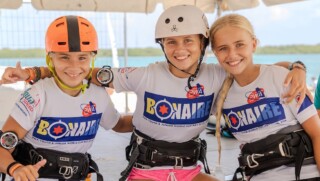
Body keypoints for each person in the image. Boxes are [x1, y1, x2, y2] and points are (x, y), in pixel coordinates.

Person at [0, 5, 308, 181]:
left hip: (190, 169)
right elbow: (85, 71)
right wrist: (33, 74)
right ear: (162, 46)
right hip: (145, 169)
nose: (181, 49)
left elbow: (256, 69)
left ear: (203, 45)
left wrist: (297, 66)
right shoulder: (143, 74)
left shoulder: (216, 74)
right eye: (172, 42)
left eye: (189, 41)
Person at [0, 15, 133, 181]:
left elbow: (118, 124)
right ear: (50, 58)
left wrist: (149, 119)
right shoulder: (37, 94)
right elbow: (3, 145)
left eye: (82, 58)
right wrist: (16, 169)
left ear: (92, 58)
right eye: (64, 57)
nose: (74, 66)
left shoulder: (98, 94)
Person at [211, 14, 320, 181]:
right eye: (223, 48)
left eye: (239, 45)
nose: (232, 54)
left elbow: (317, 134)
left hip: (305, 174)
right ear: (214, 52)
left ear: (253, 44)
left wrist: (297, 67)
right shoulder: (220, 94)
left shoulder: (281, 78)